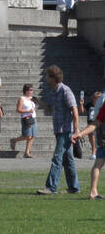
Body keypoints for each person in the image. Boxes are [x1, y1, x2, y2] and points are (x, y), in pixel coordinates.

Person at [37, 65, 81, 195]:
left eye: (47, 76)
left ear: (52, 77)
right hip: (58, 130)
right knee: (68, 159)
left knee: (57, 158)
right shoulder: (54, 91)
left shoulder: (65, 90)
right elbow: (52, 109)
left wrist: (76, 130)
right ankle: (74, 187)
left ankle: (51, 187)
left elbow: (74, 109)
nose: (45, 78)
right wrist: (40, 103)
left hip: (66, 130)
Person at [71, 89, 105, 199]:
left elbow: (96, 123)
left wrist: (81, 134)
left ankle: (93, 191)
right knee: (98, 163)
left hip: (102, 137)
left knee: (98, 164)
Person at [11, 85, 38, 157]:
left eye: (32, 90)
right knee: (27, 136)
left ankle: (27, 152)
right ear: (26, 91)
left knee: (32, 136)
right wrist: (28, 111)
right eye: (30, 90)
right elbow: (18, 110)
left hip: (33, 118)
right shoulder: (22, 98)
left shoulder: (32, 98)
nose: (32, 91)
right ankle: (14, 140)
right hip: (26, 118)